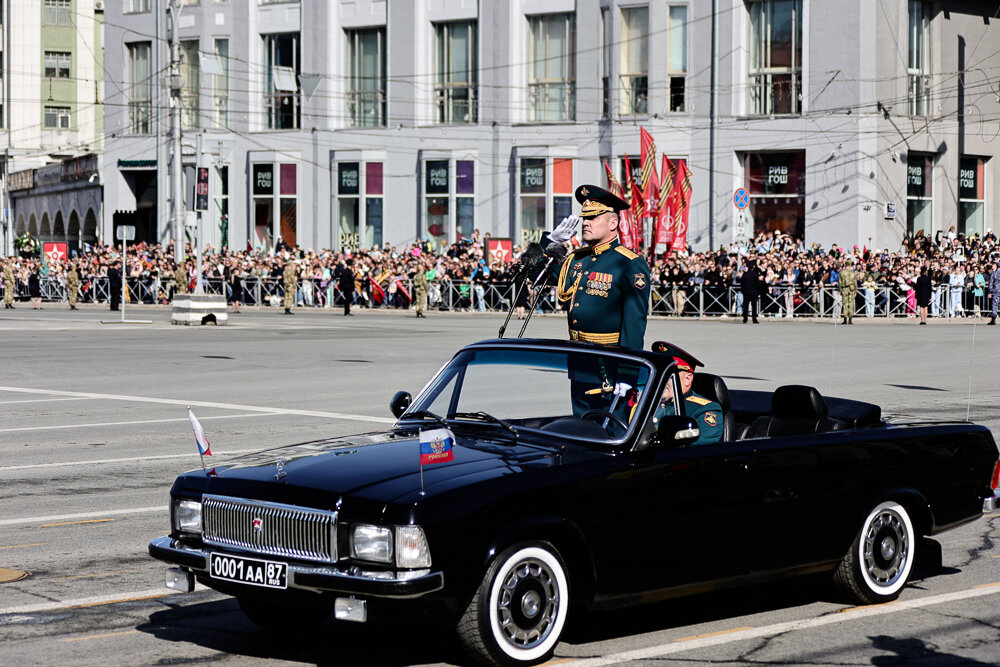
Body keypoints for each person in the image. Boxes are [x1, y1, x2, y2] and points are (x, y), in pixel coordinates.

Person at [550, 184, 651, 349]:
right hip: (577, 354)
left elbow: (633, 324)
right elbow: (535, 274)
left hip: (608, 357)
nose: (585, 223)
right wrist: (551, 242)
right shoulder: (576, 259)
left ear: (613, 224)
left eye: (593, 218)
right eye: (585, 218)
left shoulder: (630, 263)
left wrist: (628, 369)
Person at [650, 348, 724, 446]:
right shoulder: (648, 402)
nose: (660, 380)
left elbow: (695, 451)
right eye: (658, 374)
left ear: (687, 379)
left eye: (667, 375)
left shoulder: (705, 410)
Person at [740, 259, 760, 324]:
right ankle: (754, 318)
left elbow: (742, 284)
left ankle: (745, 318)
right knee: (754, 305)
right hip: (754, 291)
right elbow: (757, 284)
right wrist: (758, 292)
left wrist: (743, 291)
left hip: (746, 291)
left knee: (745, 305)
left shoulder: (744, 275)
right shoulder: (755, 274)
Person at [839, 257, 858, 324]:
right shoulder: (853, 273)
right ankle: (850, 319)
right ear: (850, 265)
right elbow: (855, 283)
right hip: (852, 289)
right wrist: (855, 290)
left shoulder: (842, 272)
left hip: (844, 289)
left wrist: (840, 290)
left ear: (845, 264)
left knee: (845, 304)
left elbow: (840, 282)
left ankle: (845, 319)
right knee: (851, 303)